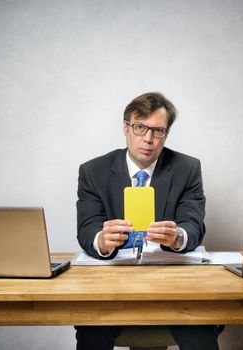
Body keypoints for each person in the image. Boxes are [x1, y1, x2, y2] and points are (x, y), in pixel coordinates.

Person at [75, 92, 220, 350]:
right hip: (112, 286)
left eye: (158, 131)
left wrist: (178, 237)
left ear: (166, 134)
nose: (148, 139)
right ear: (125, 128)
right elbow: (87, 228)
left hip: (174, 286)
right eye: (140, 127)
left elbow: (193, 224)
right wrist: (102, 240)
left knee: (201, 331)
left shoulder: (187, 168)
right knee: (91, 330)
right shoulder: (93, 171)